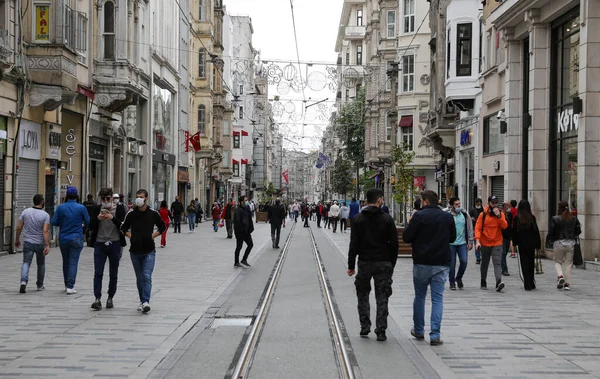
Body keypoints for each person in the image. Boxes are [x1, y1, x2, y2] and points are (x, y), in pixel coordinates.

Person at [403, 190, 455, 346]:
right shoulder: (447, 217)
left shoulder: (418, 216)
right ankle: (435, 335)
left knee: (420, 297)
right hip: (441, 263)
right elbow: (452, 238)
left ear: (424, 201)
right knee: (437, 299)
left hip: (422, 262)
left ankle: (419, 330)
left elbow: (407, 237)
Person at [348, 188, 398, 342]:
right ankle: (381, 330)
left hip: (364, 262)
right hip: (383, 262)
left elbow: (353, 244)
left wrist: (351, 265)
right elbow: (394, 244)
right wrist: (392, 264)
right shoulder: (387, 219)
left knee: (363, 294)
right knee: (382, 296)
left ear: (366, 201)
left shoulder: (357, 219)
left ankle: (365, 326)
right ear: (379, 200)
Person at [121, 189, 166, 313]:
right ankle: (142, 300)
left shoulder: (153, 213)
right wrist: (131, 236)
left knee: (146, 276)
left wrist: (154, 235)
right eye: (137, 197)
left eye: (141, 197)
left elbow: (163, 226)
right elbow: (123, 227)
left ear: (146, 198)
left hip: (149, 250)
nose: (138, 199)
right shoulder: (131, 214)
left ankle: (146, 301)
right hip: (135, 251)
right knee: (139, 277)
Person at [88, 188, 127, 310]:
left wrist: (112, 218)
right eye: (103, 199)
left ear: (112, 198)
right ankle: (97, 299)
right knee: (98, 272)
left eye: (108, 198)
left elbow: (124, 225)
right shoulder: (96, 209)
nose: (105, 201)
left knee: (113, 273)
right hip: (100, 243)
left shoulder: (119, 208)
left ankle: (110, 297)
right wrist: (98, 219)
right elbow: (90, 226)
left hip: (115, 243)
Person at [52, 186, 90, 294]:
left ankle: (66, 284)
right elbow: (88, 221)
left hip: (63, 237)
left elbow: (54, 222)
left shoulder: (60, 207)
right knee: (73, 262)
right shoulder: (81, 208)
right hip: (76, 237)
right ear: (77, 196)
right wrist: (83, 227)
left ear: (67, 196)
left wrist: (63, 223)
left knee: (66, 261)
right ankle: (70, 286)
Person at [16, 194, 50, 293]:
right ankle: (40, 285)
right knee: (41, 264)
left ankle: (23, 281)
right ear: (42, 202)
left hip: (28, 242)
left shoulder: (25, 212)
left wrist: (17, 239)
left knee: (26, 262)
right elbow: (45, 231)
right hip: (40, 243)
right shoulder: (45, 215)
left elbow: (19, 227)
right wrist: (47, 245)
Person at [475, 195, 508, 292]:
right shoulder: (483, 215)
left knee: (497, 263)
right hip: (485, 243)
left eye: (496, 202)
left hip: (497, 243)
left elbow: (505, 226)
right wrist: (477, 241)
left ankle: (498, 282)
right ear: (489, 203)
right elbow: (477, 228)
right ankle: (483, 281)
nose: (495, 205)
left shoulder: (500, 214)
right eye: (493, 203)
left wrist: (498, 216)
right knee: (484, 263)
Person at [547, 200, 581, 291]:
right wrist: (573, 235)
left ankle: (560, 276)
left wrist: (550, 240)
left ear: (559, 208)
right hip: (570, 243)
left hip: (558, 242)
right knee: (568, 264)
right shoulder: (573, 218)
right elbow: (578, 230)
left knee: (557, 261)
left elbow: (551, 231)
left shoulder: (555, 218)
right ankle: (567, 284)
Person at [512, 200, 541, 291]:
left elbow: (514, 232)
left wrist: (514, 243)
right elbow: (536, 232)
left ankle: (527, 283)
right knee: (531, 263)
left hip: (522, 244)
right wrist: (538, 244)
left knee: (524, 263)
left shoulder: (517, 218)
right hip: (531, 244)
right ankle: (531, 282)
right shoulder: (532, 218)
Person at [447, 197, 473, 290]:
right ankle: (452, 282)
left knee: (464, 261)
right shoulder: (448, 215)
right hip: (451, 243)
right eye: (456, 204)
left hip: (462, 242)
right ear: (452, 205)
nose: (458, 206)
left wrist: (470, 241)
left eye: (459, 204)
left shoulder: (465, 214)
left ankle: (459, 277)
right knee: (452, 263)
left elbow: (470, 228)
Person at [234, 196, 254, 268]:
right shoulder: (238, 210)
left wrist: (251, 228)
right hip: (240, 232)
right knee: (239, 247)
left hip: (247, 231)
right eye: (245, 200)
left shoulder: (247, 209)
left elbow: (249, 219)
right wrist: (241, 230)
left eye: (247, 200)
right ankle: (236, 262)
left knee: (250, 245)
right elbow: (237, 221)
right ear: (241, 201)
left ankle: (244, 260)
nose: (246, 201)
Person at [500, 202, 514, 276]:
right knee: (503, 253)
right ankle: (504, 269)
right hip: (501, 236)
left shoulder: (510, 215)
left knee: (504, 254)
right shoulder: (500, 214)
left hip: (508, 236)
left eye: (509, 206)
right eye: (508, 206)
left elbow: (511, 225)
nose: (509, 208)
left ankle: (501, 265)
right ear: (504, 207)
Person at [469, 198, 484, 264]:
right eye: (476, 204)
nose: (478, 205)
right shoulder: (472, 210)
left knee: (483, 244)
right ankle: (478, 258)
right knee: (477, 244)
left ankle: (483, 256)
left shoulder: (483, 210)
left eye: (479, 204)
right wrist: (472, 219)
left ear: (481, 203)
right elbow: (468, 218)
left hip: (483, 229)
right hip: (475, 228)